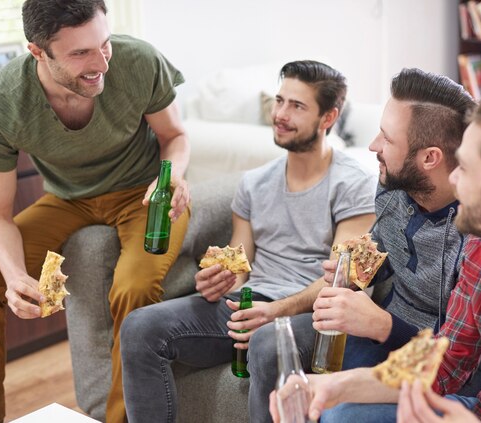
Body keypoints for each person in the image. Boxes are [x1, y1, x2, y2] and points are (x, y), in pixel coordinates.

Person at [274, 89, 481, 423]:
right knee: (343, 414)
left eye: (466, 168)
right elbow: (444, 364)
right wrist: (334, 386)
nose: (454, 178)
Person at [119, 60, 377, 422]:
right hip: (252, 305)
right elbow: (240, 265)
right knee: (140, 326)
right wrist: (220, 278)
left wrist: (277, 311)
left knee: (269, 342)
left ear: (328, 118)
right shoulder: (254, 183)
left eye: (297, 106)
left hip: (313, 315)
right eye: (280, 100)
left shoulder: (353, 184)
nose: (281, 114)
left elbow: (343, 280)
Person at [0, 1, 191, 422]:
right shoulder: (4, 104)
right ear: (38, 52)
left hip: (143, 193)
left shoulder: (138, 61)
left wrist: (173, 177)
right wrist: (16, 275)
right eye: (80, 54)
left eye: (104, 44)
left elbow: (175, 135)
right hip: (67, 198)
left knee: (134, 287)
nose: (101, 64)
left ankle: (117, 419)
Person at [247, 67, 481, 422]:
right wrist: (353, 273)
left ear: (430, 158)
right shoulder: (392, 185)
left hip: (440, 361)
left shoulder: (475, 233)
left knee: (341, 414)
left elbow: (460, 357)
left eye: (387, 139)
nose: (373, 146)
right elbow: (383, 250)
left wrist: (383, 324)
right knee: (267, 343)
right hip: (379, 332)